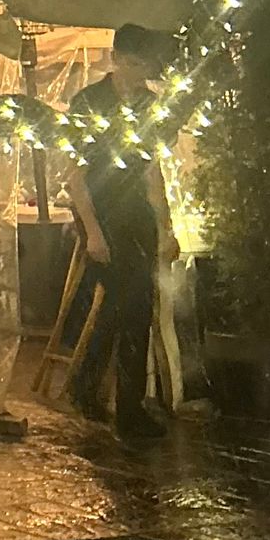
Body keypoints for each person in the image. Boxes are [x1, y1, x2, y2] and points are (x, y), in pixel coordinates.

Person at [62, 24, 181, 439]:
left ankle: (89, 388)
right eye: (131, 63)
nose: (138, 72)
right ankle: (127, 410)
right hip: (102, 210)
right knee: (126, 305)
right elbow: (74, 176)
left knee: (129, 303)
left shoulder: (150, 104)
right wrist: (93, 232)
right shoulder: (88, 103)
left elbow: (153, 171)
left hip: (135, 214)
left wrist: (165, 225)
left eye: (143, 65)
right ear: (116, 59)